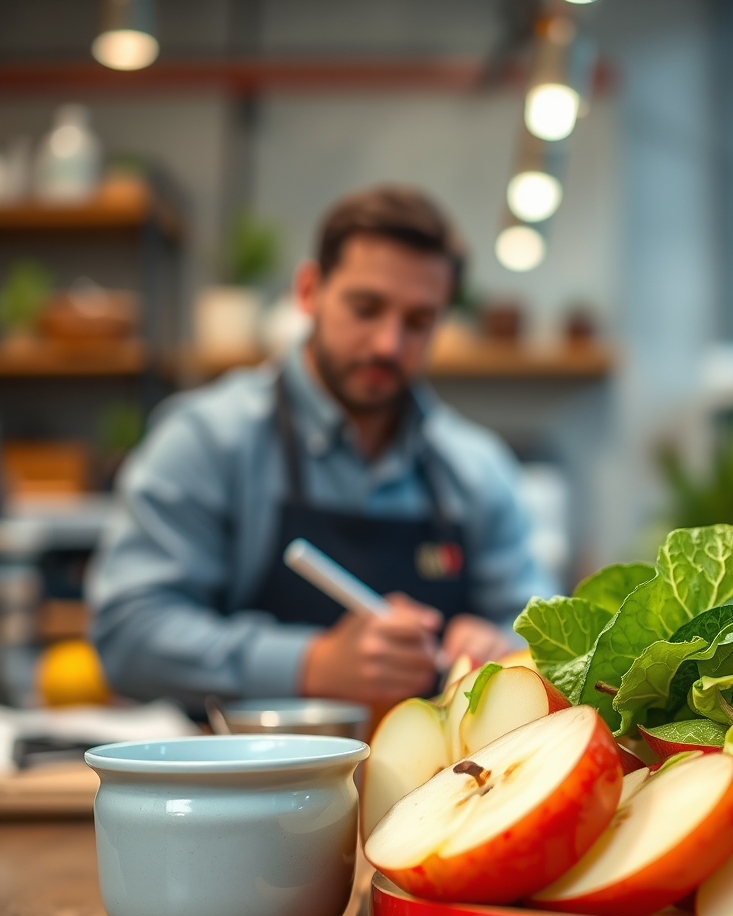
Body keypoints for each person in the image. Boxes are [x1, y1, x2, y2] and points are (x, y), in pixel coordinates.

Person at [87, 186, 554, 715]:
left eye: (418, 322)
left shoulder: (476, 469)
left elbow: (543, 634)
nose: (388, 344)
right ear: (309, 291)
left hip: (441, 789)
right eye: (366, 308)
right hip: (244, 783)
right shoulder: (206, 440)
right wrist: (310, 664)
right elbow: (128, 633)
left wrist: (501, 648)